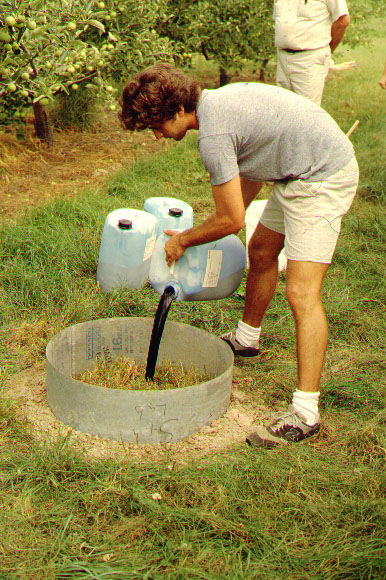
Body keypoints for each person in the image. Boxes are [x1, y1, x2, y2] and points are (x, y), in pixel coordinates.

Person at [119, 63, 359, 448]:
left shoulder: (212, 135)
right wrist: (213, 224)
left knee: (301, 293)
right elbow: (254, 164)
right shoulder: (217, 105)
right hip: (294, 171)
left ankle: (306, 413)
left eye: (157, 125)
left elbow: (231, 219)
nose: (158, 135)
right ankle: (247, 339)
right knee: (262, 248)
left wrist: (185, 240)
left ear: (179, 111)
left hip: (322, 177)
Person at [274, 0, 350, 105]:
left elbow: (343, 21)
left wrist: (329, 49)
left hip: (309, 59)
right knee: (283, 108)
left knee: (307, 112)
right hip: (282, 58)